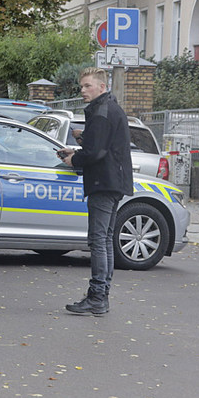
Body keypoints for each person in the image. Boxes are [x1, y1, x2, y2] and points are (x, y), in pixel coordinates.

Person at [57, 67, 133, 315]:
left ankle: (98, 296)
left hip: (103, 182)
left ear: (102, 87)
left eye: (88, 86)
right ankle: (101, 295)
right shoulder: (110, 108)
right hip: (114, 182)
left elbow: (97, 153)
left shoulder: (101, 111)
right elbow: (103, 145)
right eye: (81, 86)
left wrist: (74, 160)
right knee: (106, 239)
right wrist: (82, 142)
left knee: (98, 240)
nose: (83, 91)